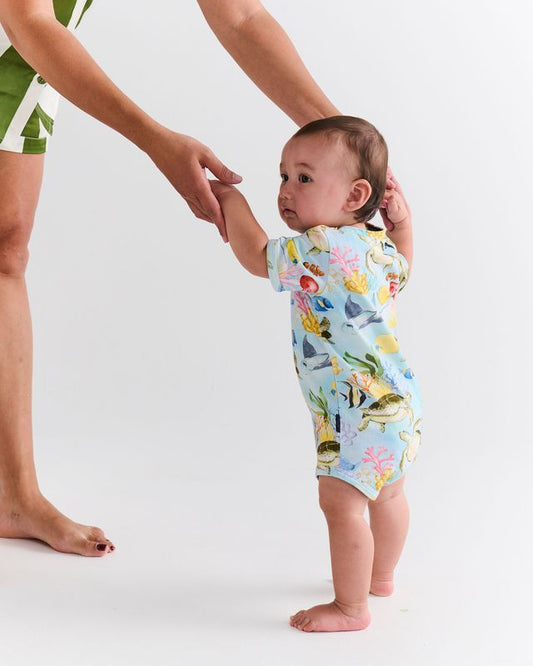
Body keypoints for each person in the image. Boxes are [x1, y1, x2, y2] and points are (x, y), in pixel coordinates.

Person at [0, 0, 341, 556]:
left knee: (5, 251)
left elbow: (240, 17)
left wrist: (344, 141)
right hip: (27, 34)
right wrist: (156, 140)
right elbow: (27, 18)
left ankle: (12, 495)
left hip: (21, 64)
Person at [209, 116, 423, 632]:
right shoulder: (376, 246)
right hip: (397, 404)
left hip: (352, 412)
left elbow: (257, 256)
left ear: (356, 194)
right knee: (388, 493)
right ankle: (382, 576)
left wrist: (231, 203)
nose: (285, 190)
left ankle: (351, 609)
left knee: (341, 504)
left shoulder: (322, 247)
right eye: (283, 176)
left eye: (304, 178)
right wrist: (403, 225)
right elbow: (404, 272)